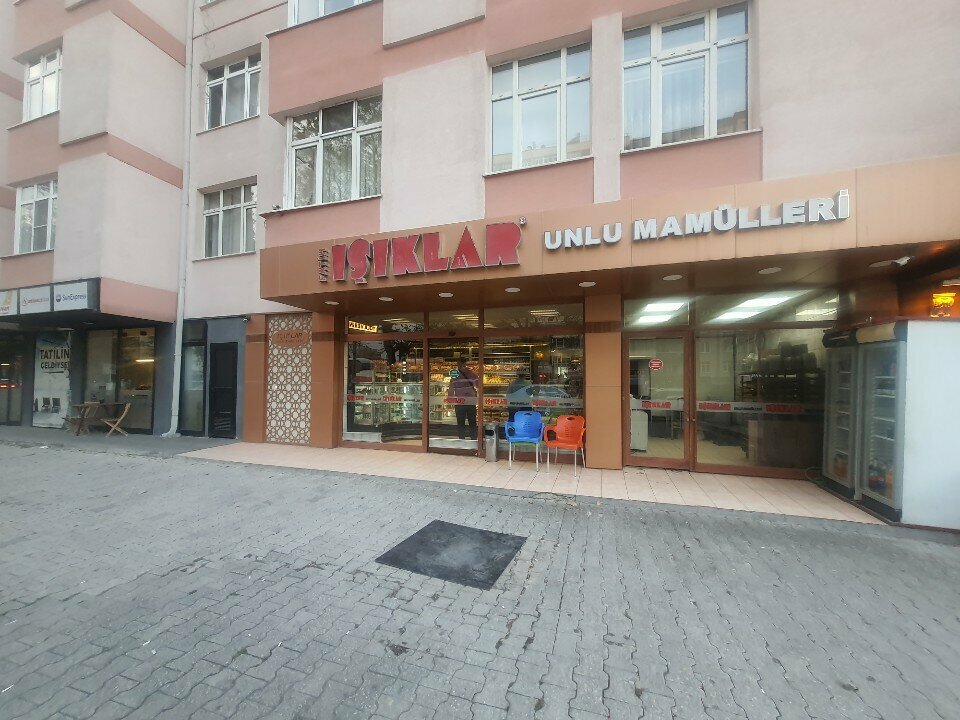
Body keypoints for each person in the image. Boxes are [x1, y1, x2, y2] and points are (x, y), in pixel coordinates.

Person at [447, 356, 478, 440]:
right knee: (472, 422)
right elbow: (478, 385)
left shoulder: (455, 375)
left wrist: (450, 399)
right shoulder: (472, 373)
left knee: (460, 422)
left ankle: (461, 439)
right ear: (465, 363)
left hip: (459, 401)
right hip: (471, 401)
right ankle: (474, 439)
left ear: (459, 363)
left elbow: (451, 388)